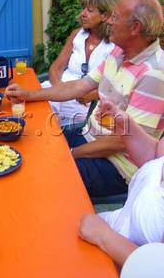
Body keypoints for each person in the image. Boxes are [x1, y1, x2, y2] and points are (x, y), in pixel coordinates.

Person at [5, 0, 164, 198]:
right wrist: (29, 94)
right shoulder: (119, 52)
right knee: (30, 143)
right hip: (89, 137)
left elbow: (122, 141)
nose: (110, 22)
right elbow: (80, 85)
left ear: (135, 28)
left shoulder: (154, 74)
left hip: (118, 166)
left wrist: (71, 153)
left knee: (43, 176)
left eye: (115, 17)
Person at [78, 100, 164, 267]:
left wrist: (103, 235)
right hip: (112, 224)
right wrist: (126, 126)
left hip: (122, 262)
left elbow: (157, 268)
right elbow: (155, 158)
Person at [41, 0, 117, 126]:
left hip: (86, 101)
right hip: (61, 88)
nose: (83, 14)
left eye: (90, 10)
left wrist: (93, 95)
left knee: (51, 123)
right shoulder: (77, 34)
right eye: (83, 9)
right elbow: (56, 67)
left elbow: (117, 84)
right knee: (38, 111)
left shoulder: (115, 44)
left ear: (104, 16)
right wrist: (60, 90)